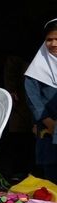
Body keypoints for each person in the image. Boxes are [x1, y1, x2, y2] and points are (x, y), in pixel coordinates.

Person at [24, 18, 57, 184]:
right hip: (48, 130)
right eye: (49, 39)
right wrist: (49, 123)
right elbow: (32, 97)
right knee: (52, 177)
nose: (53, 44)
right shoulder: (37, 69)